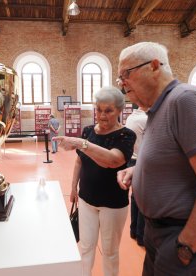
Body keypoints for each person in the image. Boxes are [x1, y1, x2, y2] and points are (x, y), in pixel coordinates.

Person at [116, 42, 196, 275]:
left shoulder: (185, 100)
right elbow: (171, 158)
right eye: (119, 78)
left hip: (183, 234)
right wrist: (138, 171)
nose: (122, 84)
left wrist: (185, 247)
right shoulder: (158, 108)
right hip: (159, 233)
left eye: (126, 74)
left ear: (154, 66)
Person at [53, 86, 136, 276]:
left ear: (119, 110)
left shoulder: (126, 135)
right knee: (85, 247)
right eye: (98, 109)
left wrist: (82, 144)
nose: (102, 115)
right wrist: (73, 187)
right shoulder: (88, 130)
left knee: (109, 252)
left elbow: (113, 161)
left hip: (113, 203)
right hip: (86, 199)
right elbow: (79, 160)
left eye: (108, 110)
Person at [125, 103, 147, 247]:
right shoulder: (146, 119)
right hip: (141, 161)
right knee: (143, 199)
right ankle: (141, 236)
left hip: (131, 160)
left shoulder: (130, 117)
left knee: (135, 197)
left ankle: (134, 230)